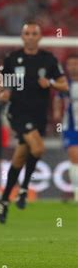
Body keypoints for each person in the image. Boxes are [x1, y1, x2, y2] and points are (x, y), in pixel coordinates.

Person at [0, 22, 68, 223]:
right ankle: (25, 189)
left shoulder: (48, 60)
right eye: (26, 33)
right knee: (38, 148)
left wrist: (51, 83)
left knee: (20, 157)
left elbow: (63, 84)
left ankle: (3, 199)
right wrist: (1, 93)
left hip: (39, 115)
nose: (30, 36)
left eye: (33, 33)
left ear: (39, 36)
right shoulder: (12, 59)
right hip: (18, 112)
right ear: (22, 36)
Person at [54, 54, 78, 202]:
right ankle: (77, 194)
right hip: (70, 127)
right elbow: (57, 99)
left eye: (76, 64)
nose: (73, 67)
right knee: (75, 158)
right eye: (70, 64)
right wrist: (57, 112)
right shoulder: (64, 84)